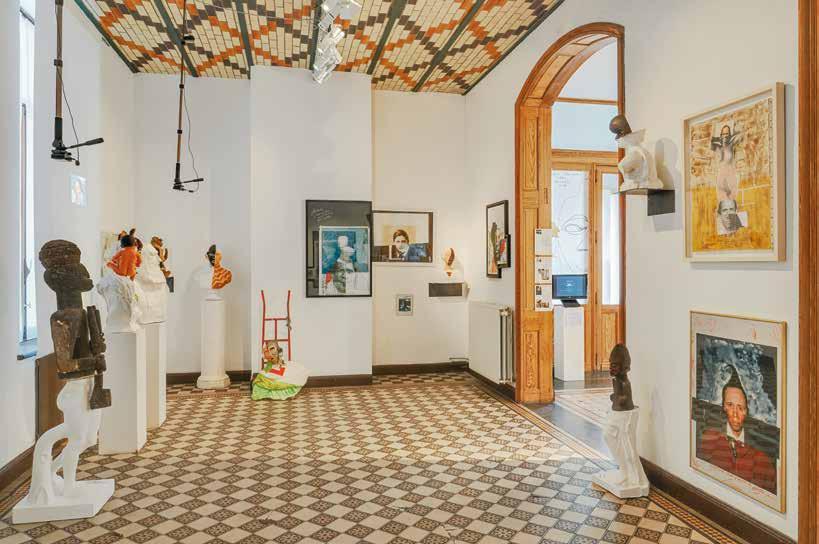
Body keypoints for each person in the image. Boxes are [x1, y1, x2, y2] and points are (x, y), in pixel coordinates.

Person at [696, 366, 777, 494]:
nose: (735, 414)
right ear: (723, 406)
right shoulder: (708, 441)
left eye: (740, 408)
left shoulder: (763, 460)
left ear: (747, 410)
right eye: (730, 405)